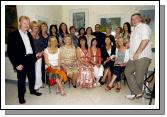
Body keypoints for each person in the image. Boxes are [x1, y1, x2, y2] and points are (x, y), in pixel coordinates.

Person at [7, 16, 42, 104]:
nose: (26, 25)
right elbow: (10, 51)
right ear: (19, 23)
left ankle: (32, 91)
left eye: (27, 23)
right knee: (21, 80)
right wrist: (16, 64)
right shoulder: (13, 35)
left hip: (31, 58)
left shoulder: (29, 34)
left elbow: (32, 47)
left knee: (32, 77)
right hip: (21, 61)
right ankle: (21, 97)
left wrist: (34, 57)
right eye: (24, 23)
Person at [124, 13, 152, 99]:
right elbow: (135, 41)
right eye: (132, 19)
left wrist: (137, 53)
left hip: (142, 56)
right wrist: (129, 44)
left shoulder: (144, 27)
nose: (134, 20)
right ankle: (138, 92)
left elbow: (145, 40)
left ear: (140, 19)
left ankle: (134, 94)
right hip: (133, 57)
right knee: (127, 71)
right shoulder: (134, 30)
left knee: (139, 77)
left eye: (136, 18)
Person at [30, 21, 44, 90]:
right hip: (32, 56)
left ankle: (40, 84)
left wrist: (41, 52)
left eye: (37, 26)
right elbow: (28, 47)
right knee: (34, 71)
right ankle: (35, 85)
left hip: (40, 55)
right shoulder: (29, 35)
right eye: (34, 26)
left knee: (39, 70)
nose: (36, 27)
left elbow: (41, 45)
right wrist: (35, 54)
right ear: (31, 27)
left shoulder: (39, 35)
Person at [39, 22, 49, 86]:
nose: (44, 27)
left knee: (48, 67)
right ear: (40, 27)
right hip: (41, 54)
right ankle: (42, 81)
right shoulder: (38, 35)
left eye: (45, 26)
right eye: (43, 26)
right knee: (42, 68)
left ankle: (48, 81)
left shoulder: (49, 35)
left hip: (48, 54)